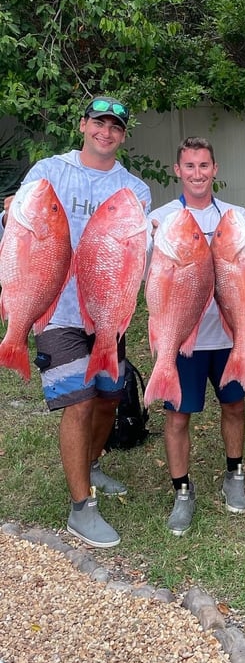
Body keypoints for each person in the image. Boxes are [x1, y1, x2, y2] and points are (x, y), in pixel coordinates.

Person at [1, 96, 152, 548]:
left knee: (109, 399)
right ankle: (80, 507)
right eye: (99, 123)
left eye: (115, 127)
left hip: (107, 310)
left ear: (123, 135)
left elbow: (134, 257)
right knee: (80, 403)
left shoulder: (135, 190)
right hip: (58, 310)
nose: (106, 132)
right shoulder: (48, 171)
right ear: (83, 125)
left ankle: (91, 464)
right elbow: (18, 234)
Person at [150, 137, 245, 536]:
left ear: (215, 170)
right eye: (189, 166)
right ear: (177, 170)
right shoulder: (161, 219)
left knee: (234, 407)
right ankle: (182, 490)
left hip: (228, 335)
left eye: (204, 166)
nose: (197, 173)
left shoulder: (235, 216)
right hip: (180, 338)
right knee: (178, 415)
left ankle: (235, 473)